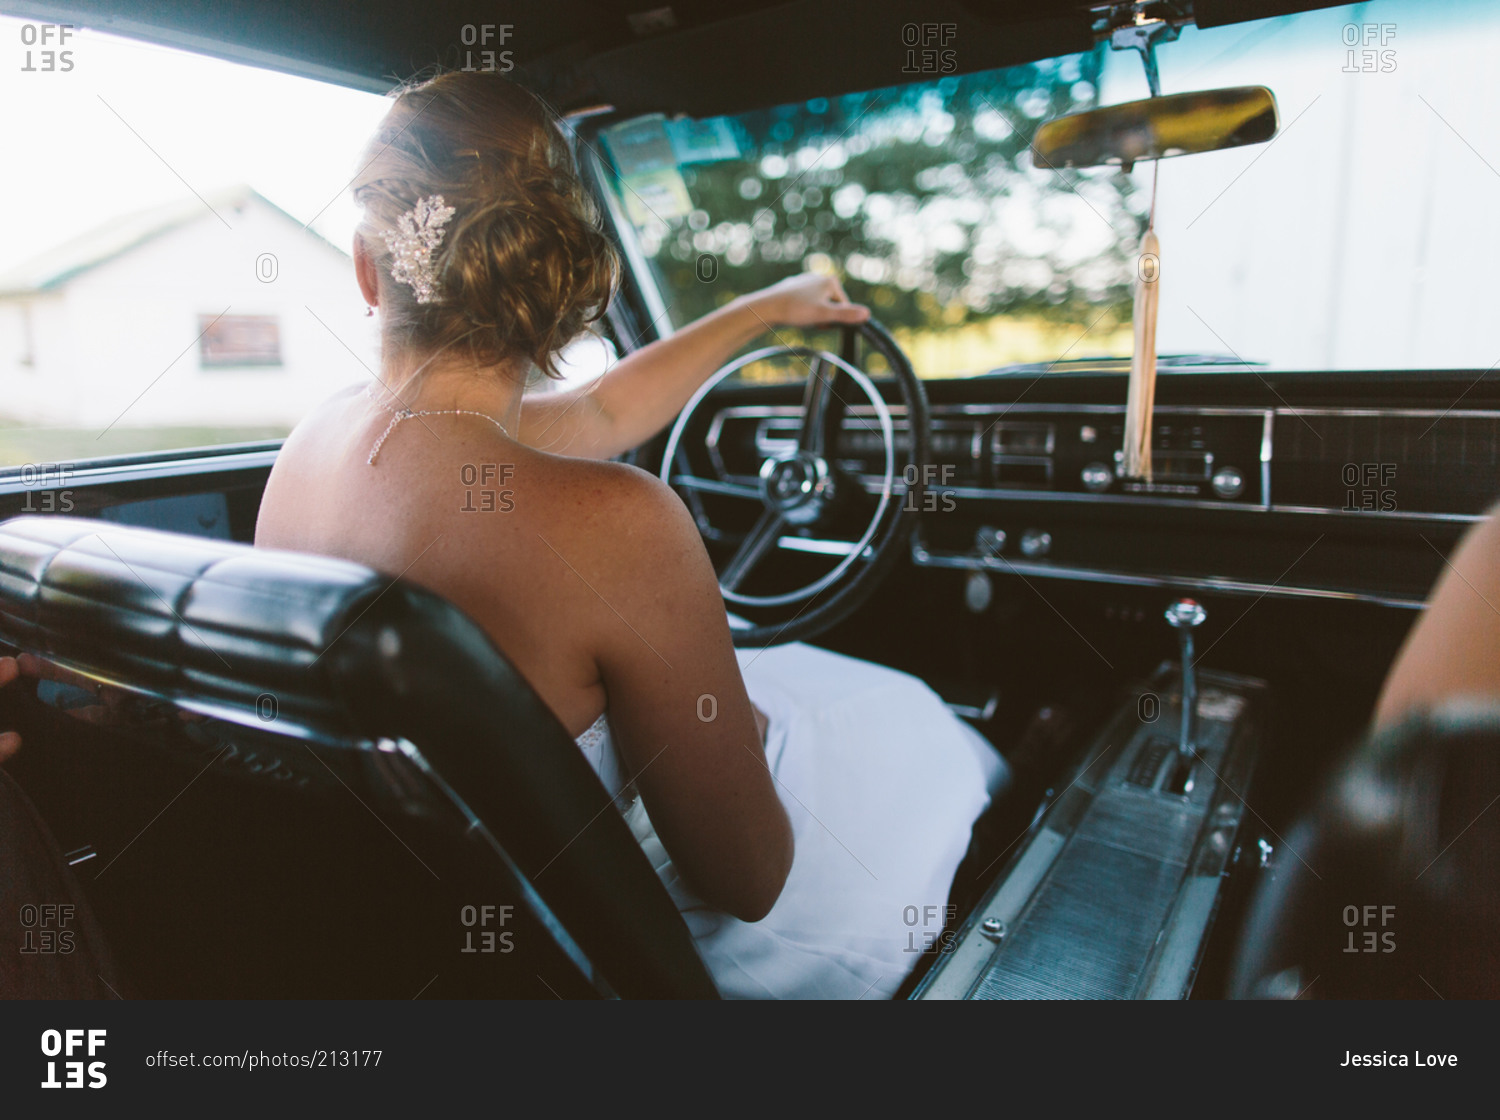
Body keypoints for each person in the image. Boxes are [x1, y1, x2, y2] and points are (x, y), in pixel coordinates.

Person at [254, 69, 1005, 999]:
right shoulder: (621, 523)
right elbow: (750, 881)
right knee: (914, 720)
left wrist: (765, 308)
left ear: (369, 270)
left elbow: (605, 405)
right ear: (565, 286)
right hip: (608, 949)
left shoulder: (307, 449)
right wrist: (742, 732)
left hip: (417, 917)